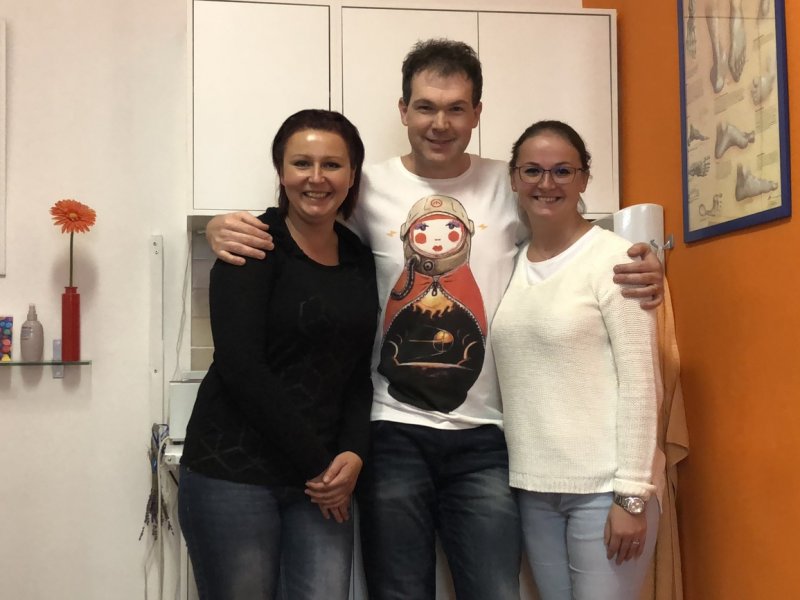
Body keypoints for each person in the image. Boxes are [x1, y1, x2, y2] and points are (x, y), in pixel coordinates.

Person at [204, 40, 664, 600]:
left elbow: (566, 227)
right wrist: (220, 226)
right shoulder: (364, 187)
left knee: (494, 590)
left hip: (488, 435)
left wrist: (640, 258)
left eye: (455, 108)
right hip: (391, 429)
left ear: (477, 113)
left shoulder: (511, 182)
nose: (439, 123)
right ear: (403, 110)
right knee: (397, 591)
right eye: (425, 106)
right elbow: (303, 215)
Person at [178, 109, 378, 600]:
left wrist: (353, 452)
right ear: (281, 172)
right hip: (235, 475)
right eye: (301, 163)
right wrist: (321, 467)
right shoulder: (251, 245)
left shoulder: (357, 256)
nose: (316, 177)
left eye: (332, 164)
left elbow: (358, 368)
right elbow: (242, 368)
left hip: (320, 479)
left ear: (352, 175)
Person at [492, 120, 659, 600]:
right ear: (514, 178)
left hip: (605, 489)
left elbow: (641, 383)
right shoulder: (509, 263)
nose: (547, 183)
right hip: (533, 486)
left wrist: (631, 494)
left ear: (584, 178)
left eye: (562, 170)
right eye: (533, 170)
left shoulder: (616, 261)